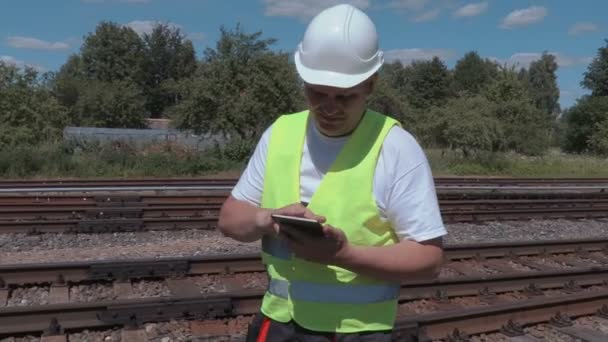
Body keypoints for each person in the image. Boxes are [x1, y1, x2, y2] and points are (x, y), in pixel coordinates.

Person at [218, 3, 447, 341]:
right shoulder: (281, 133)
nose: (328, 107)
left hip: (358, 331)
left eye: (344, 97)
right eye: (317, 93)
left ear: (370, 85)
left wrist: (344, 255)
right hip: (279, 323)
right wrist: (267, 219)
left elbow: (429, 258)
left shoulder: (395, 148)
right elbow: (229, 218)